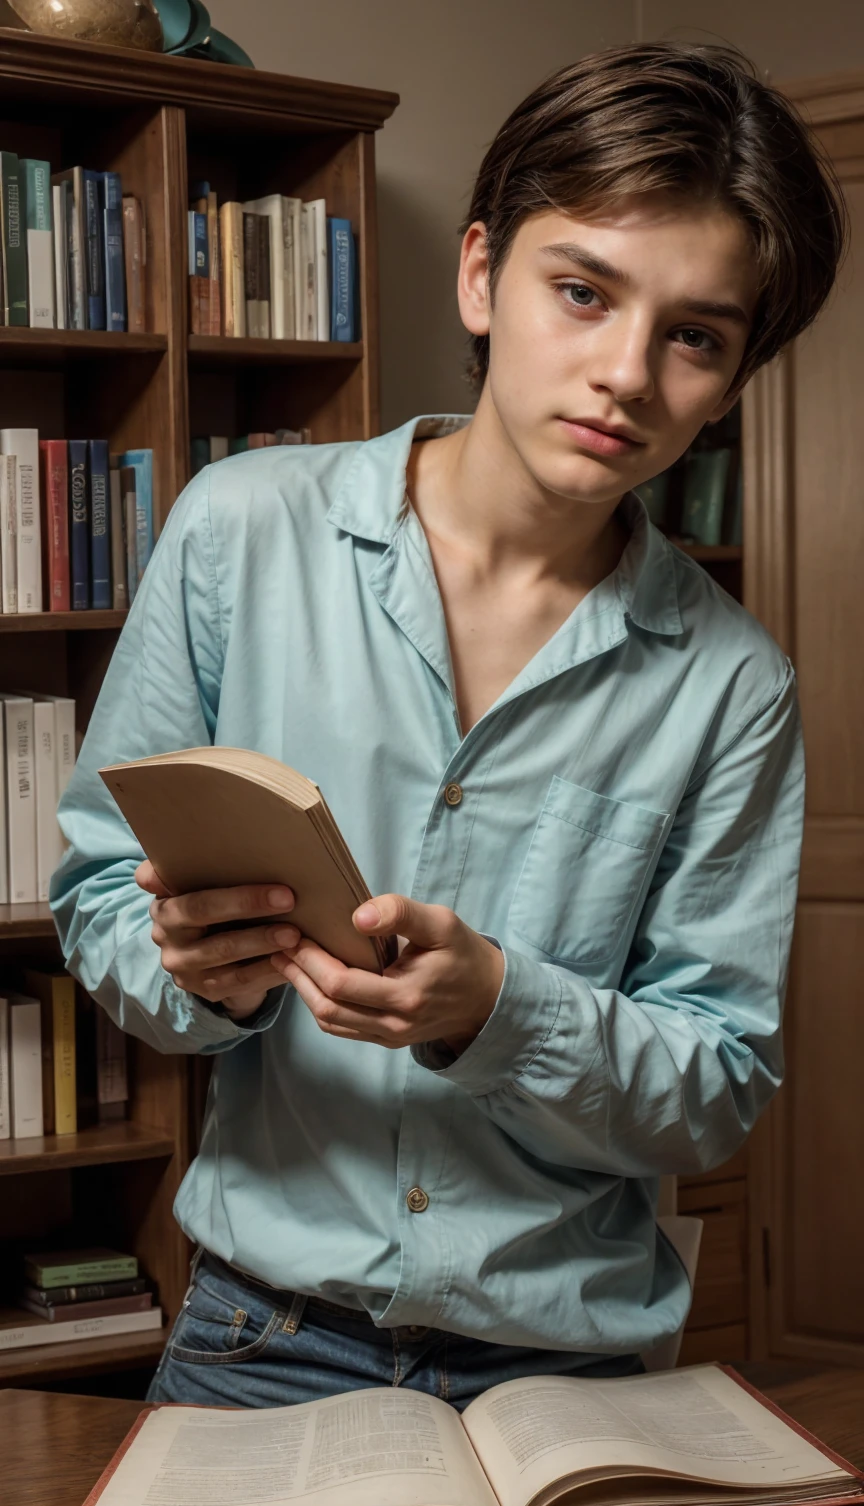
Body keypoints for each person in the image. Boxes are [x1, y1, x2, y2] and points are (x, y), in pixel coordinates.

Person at [51, 39, 846, 1411]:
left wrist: (502, 1009)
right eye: (583, 291)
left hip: (578, 1367)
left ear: (733, 380)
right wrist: (202, 974)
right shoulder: (240, 532)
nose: (625, 373)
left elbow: (716, 1082)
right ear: (483, 275)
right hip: (259, 1342)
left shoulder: (735, 685)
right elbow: (97, 905)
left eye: (696, 336)